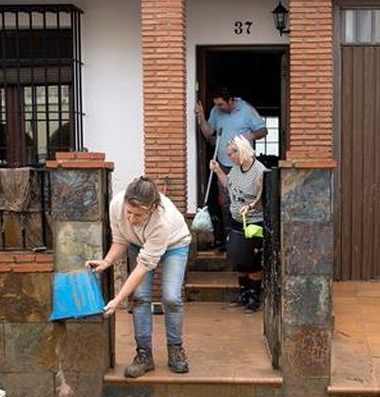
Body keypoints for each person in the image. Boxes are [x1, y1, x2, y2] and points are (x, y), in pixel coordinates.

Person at [87, 176, 192, 378]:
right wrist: (106, 262)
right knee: (140, 297)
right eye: (129, 212)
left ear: (151, 208)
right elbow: (120, 240)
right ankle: (144, 355)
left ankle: (175, 350)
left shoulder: (162, 221)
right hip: (138, 244)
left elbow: (143, 267)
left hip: (175, 245)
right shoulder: (117, 205)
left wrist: (117, 300)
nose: (131, 219)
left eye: (138, 215)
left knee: (171, 297)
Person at [194, 86, 267, 251]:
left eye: (221, 104)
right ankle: (230, 239)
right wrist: (201, 117)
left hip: (245, 166)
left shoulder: (247, 110)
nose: (218, 108)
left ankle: (250, 238)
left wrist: (251, 136)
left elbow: (263, 130)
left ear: (231, 100)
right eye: (216, 105)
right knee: (227, 203)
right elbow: (208, 134)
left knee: (246, 200)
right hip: (225, 166)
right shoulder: (216, 111)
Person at [209, 135, 266, 312]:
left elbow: (262, 197)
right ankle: (243, 294)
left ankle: (254, 298)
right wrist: (218, 171)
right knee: (239, 260)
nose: (230, 157)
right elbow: (228, 185)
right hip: (236, 220)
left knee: (253, 262)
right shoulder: (235, 169)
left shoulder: (258, 170)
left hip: (254, 221)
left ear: (241, 150)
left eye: (232, 154)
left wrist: (250, 206)